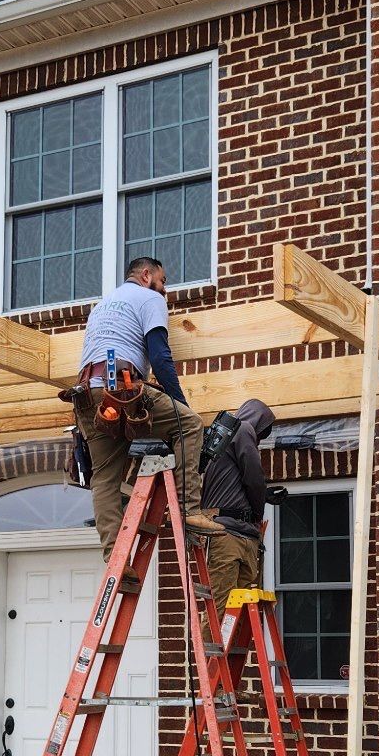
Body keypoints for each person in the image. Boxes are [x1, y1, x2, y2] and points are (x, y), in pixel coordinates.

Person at [73, 256, 225, 556]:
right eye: (162, 280)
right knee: (189, 425)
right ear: (146, 275)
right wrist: (180, 405)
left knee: (104, 477)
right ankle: (189, 510)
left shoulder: (101, 307)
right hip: (122, 388)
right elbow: (160, 356)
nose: (164, 289)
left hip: (88, 395)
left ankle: (115, 557)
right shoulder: (149, 298)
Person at [200, 398, 277, 604]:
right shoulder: (242, 428)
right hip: (227, 534)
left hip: (241, 532)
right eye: (261, 433)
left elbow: (236, 482)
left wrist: (265, 495)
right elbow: (253, 477)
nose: (258, 440)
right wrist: (259, 511)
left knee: (238, 609)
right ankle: (212, 631)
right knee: (221, 606)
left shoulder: (231, 438)